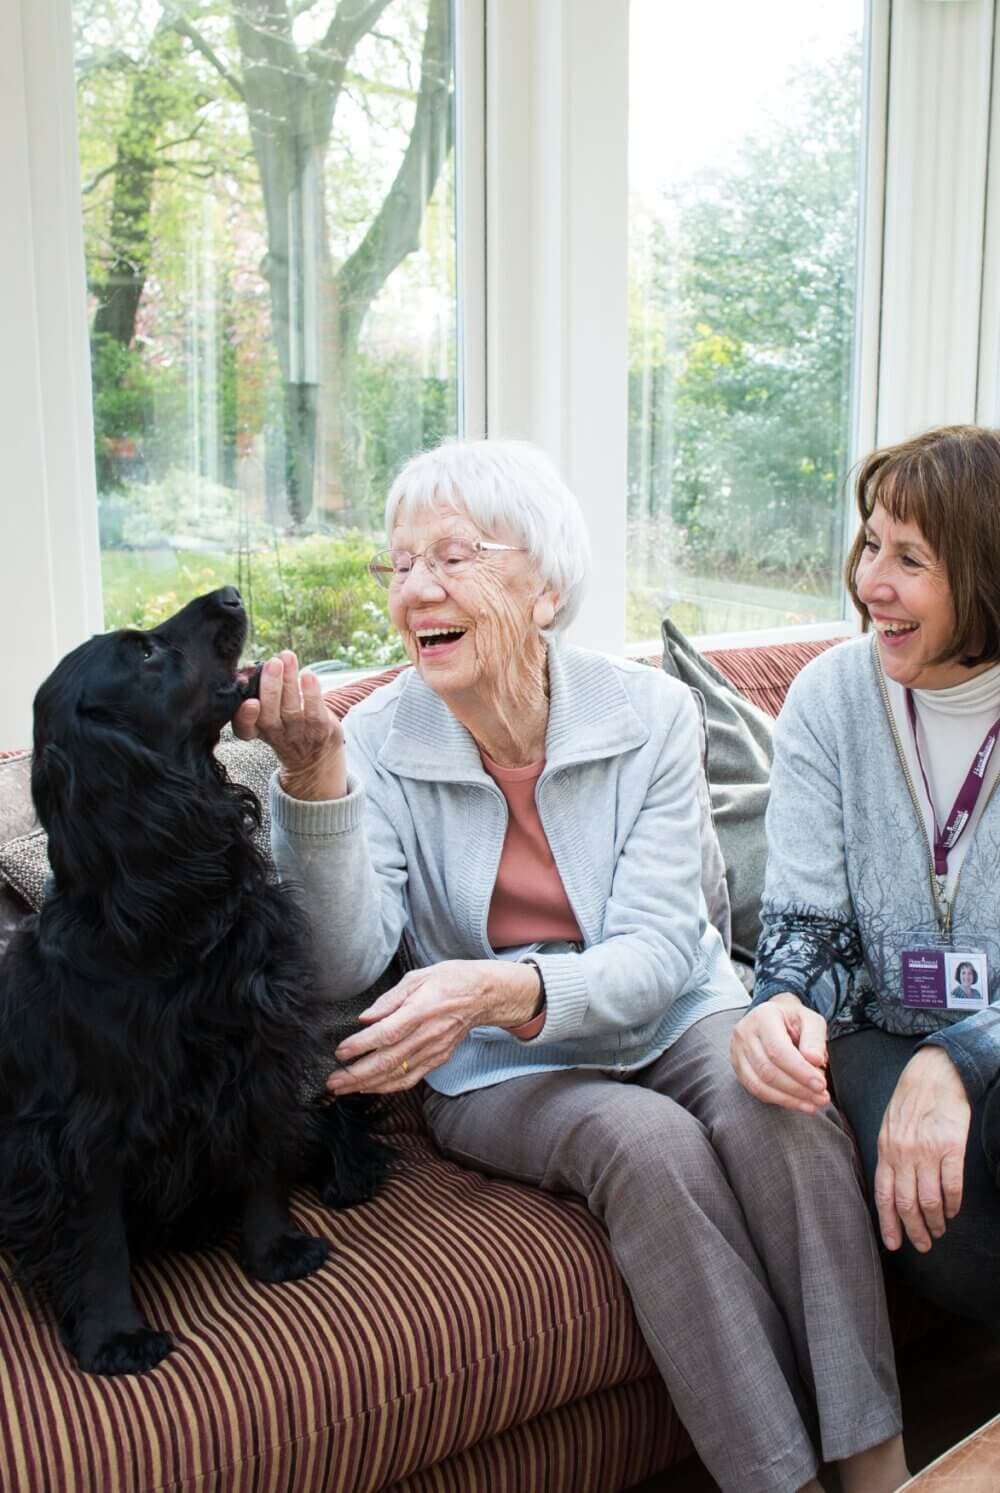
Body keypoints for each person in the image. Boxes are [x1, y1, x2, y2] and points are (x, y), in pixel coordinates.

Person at [236, 439, 907, 1493]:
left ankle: (879, 1466)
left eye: (451, 556)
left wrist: (495, 984)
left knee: (784, 1107)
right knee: (642, 1142)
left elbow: (655, 954)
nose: (416, 587)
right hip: (497, 1064)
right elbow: (337, 965)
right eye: (398, 563)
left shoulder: (647, 714)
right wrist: (316, 777)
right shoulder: (370, 736)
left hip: (671, 1006)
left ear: (543, 586)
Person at [732, 424, 1000, 1332]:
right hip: (876, 1033)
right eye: (872, 543)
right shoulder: (830, 696)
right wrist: (780, 1004)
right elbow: (805, 927)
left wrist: (963, 1056)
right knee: (949, 1211)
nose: (870, 582)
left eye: (911, 558)